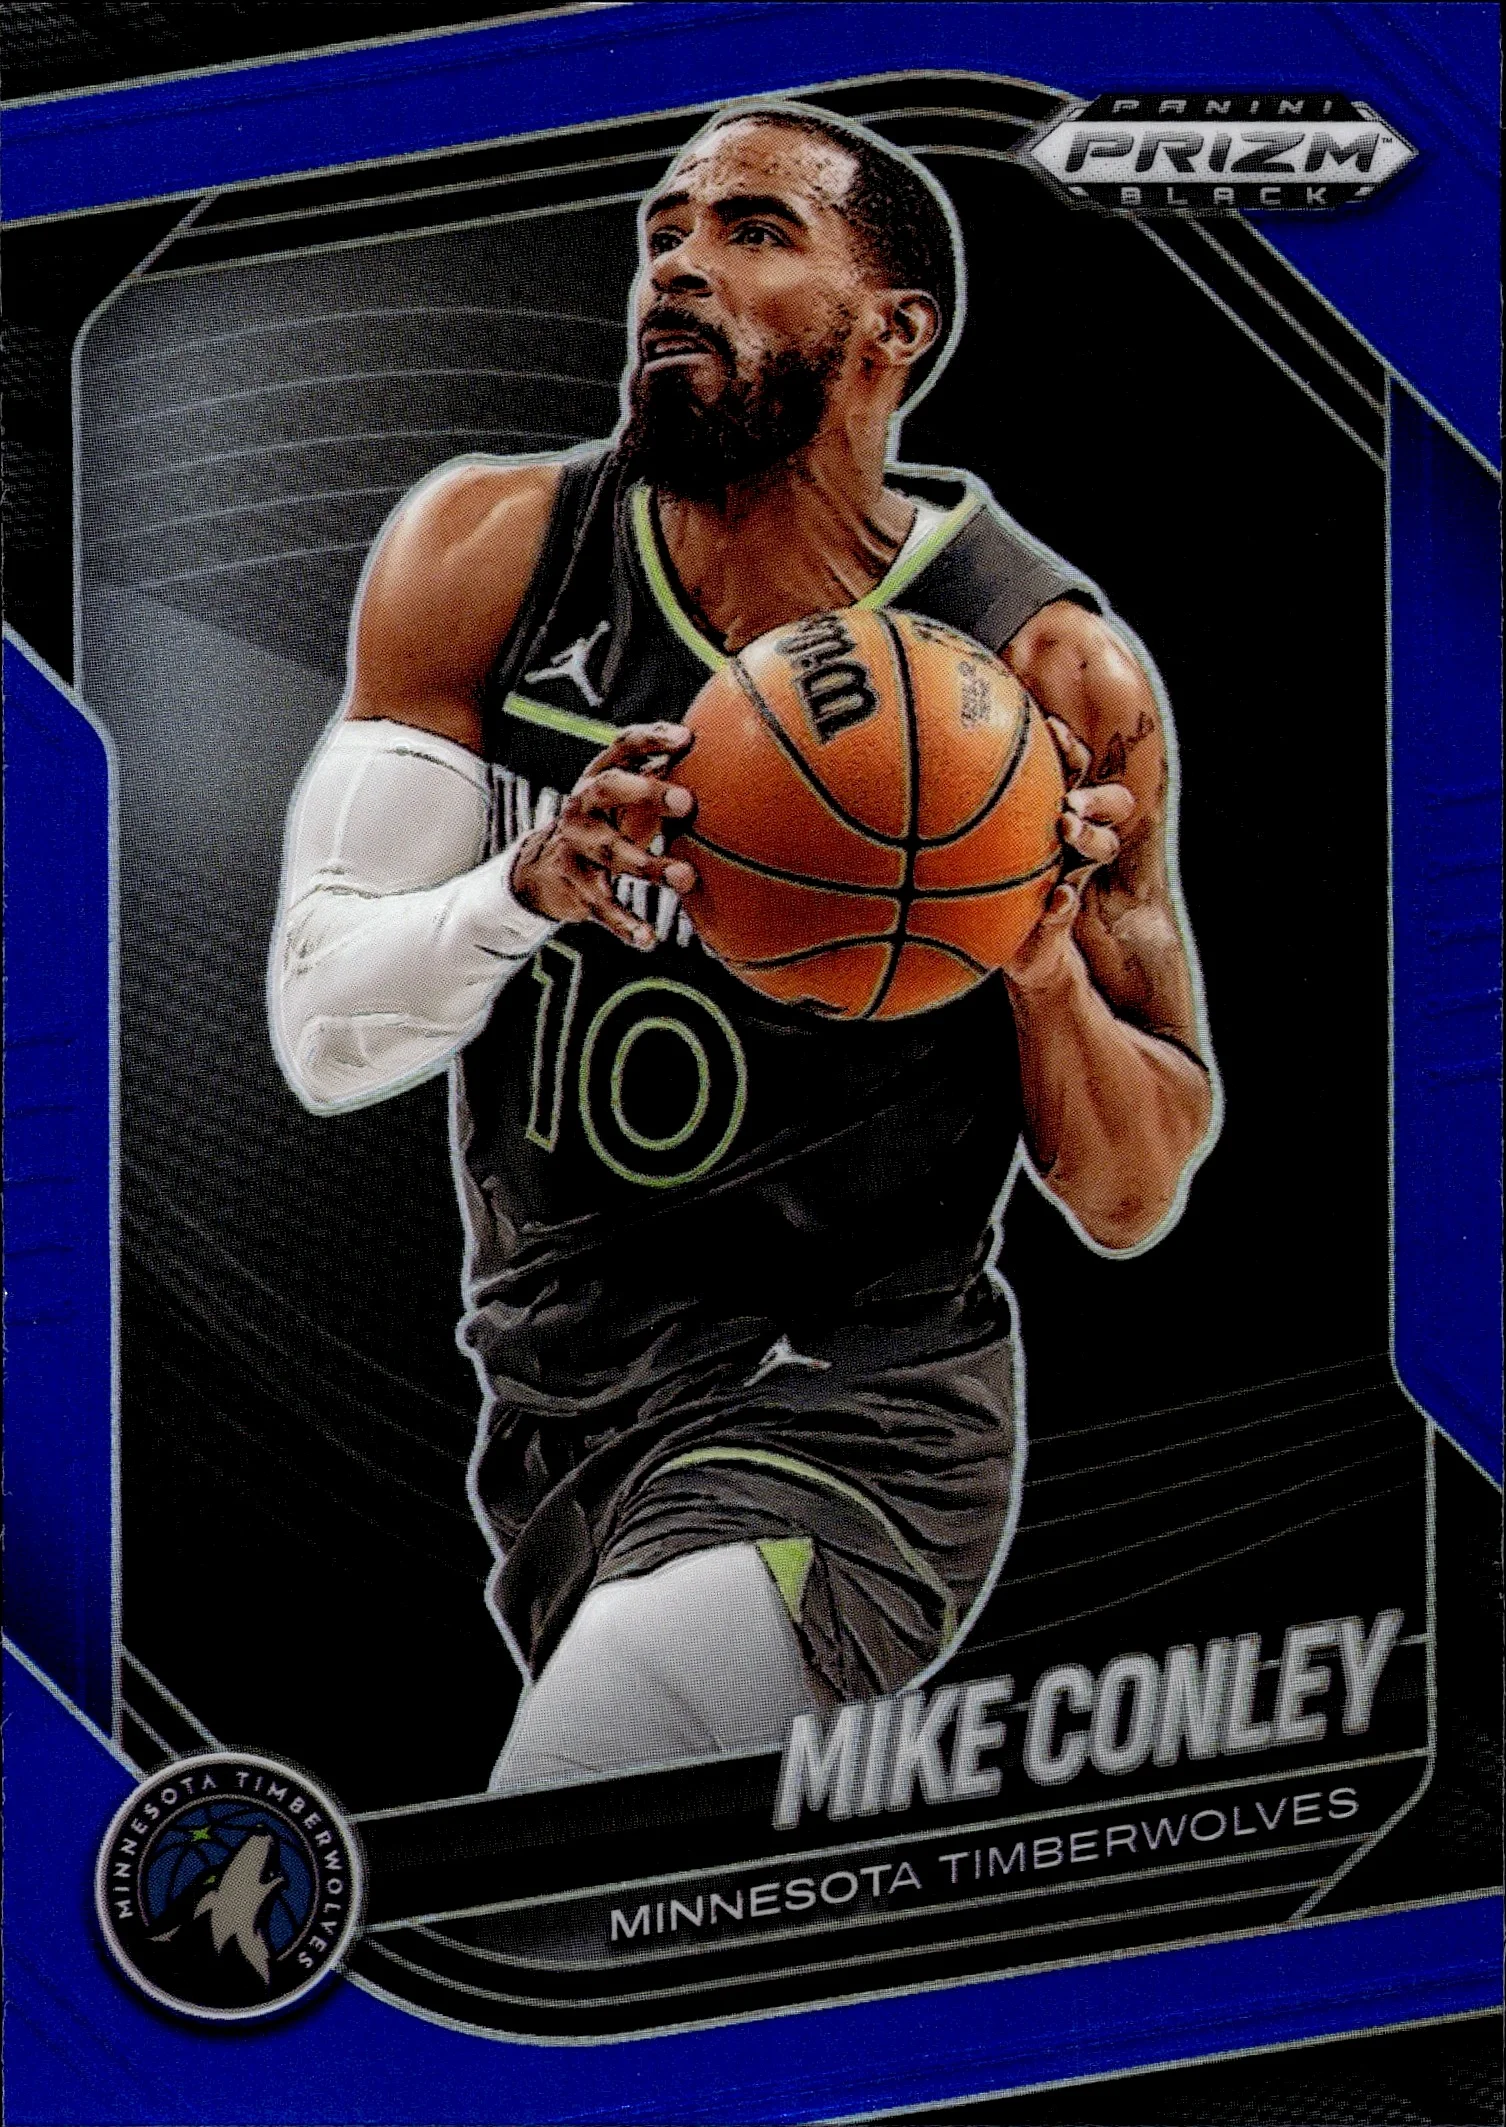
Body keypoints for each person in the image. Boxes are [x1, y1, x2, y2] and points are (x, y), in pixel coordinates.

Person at [269, 102, 1215, 1794]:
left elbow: (1133, 1191)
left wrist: (1038, 959)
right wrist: (527, 885)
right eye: (664, 231)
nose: (677, 267)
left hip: (857, 1404)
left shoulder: (1053, 674)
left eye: (753, 230)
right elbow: (325, 1030)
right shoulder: (489, 555)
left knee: (559, 1831)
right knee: (660, 1879)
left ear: (893, 328)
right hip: (557, 1402)